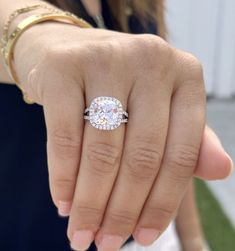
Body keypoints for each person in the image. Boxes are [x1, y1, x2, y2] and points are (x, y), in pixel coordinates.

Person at [0, 1, 233, 251]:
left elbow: (164, 137)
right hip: (32, 232)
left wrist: (192, 238)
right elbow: (12, 24)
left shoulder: (143, 4)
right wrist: (37, 35)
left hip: (146, 236)